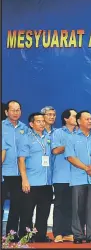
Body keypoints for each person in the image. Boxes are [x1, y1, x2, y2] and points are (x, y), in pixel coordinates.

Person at [17, 112, 54, 242]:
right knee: (27, 212)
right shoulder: (26, 138)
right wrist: (24, 179)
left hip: (46, 182)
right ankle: (25, 236)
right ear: (31, 124)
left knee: (44, 212)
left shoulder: (48, 138)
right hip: (31, 182)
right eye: (38, 121)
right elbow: (21, 160)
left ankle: (40, 236)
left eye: (43, 121)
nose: (42, 123)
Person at [65, 110, 91, 244]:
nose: (90, 121)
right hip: (78, 178)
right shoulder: (71, 137)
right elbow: (70, 157)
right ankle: (78, 235)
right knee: (77, 208)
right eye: (87, 119)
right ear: (79, 121)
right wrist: (86, 168)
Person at [2, 100, 28, 239]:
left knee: (16, 205)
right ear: (6, 112)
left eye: (18, 110)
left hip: (19, 173)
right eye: (13, 110)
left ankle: (11, 234)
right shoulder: (1, 127)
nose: (16, 112)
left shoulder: (25, 128)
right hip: (3, 173)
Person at [51, 109, 77, 243]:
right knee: (60, 205)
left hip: (77, 177)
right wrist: (70, 144)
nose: (76, 118)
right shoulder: (58, 133)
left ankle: (69, 232)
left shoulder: (80, 133)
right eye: (74, 116)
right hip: (61, 175)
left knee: (72, 205)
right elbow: (55, 150)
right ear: (66, 119)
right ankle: (58, 233)